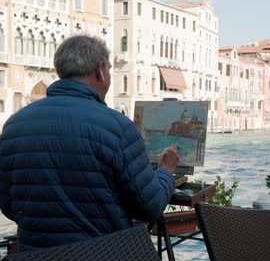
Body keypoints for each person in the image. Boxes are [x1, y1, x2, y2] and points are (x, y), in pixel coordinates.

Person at [0, 35, 178, 252]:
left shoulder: (13, 126)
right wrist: (166, 172)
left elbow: (9, 205)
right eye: (110, 71)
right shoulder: (118, 127)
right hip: (102, 253)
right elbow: (149, 208)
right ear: (100, 70)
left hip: (36, 255)